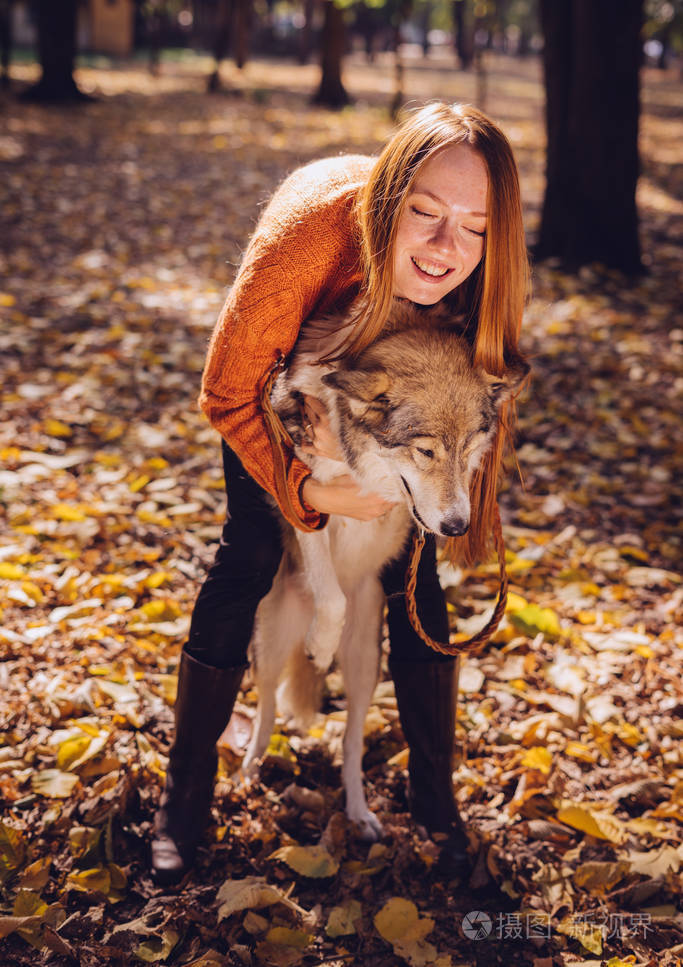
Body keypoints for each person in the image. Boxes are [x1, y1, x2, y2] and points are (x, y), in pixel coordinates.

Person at [150, 101, 530, 885]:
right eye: (424, 212)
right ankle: (183, 802)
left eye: (473, 225)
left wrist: (453, 510)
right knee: (251, 551)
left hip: (397, 406)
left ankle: (434, 803)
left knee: (415, 576)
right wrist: (308, 494)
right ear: (389, 201)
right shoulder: (310, 233)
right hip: (277, 391)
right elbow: (226, 393)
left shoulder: (485, 274)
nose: (444, 245)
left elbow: (480, 411)